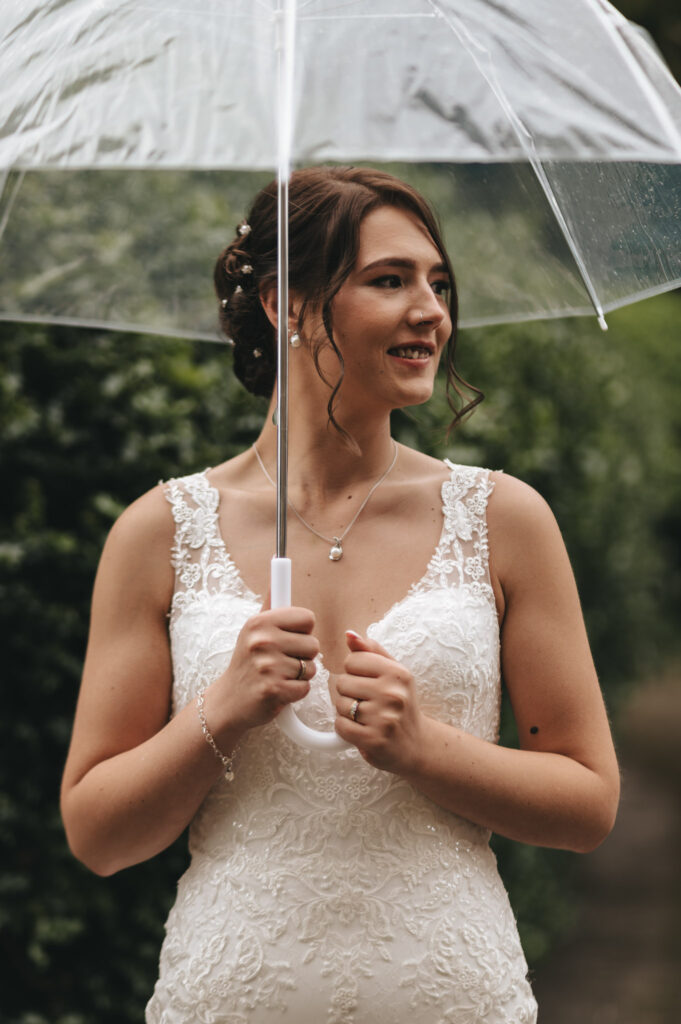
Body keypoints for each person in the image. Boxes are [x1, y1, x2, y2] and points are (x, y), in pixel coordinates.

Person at [60, 166, 620, 1024]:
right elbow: (98, 836)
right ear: (287, 304)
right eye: (389, 281)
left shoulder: (503, 520)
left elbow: (587, 804)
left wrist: (425, 747)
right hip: (230, 996)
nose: (430, 311)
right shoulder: (159, 530)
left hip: (452, 998)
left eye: (438, 283)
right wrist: (222, 710)